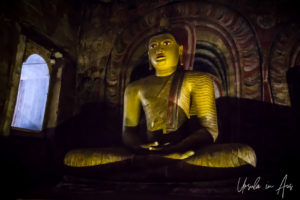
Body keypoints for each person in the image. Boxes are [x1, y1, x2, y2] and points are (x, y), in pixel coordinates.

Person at [64, 32, 256, 170]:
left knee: (240, 154)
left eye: (166, 44)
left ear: (180, 51)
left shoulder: (198, 80)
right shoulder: (135, 88)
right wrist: (139, 147)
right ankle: (160, 161)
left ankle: (160, 161)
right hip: (146, 151)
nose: (159, 49)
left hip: (188, 149)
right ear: (148, 57)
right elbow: (128, 131)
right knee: (74, 158)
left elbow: (209, 130)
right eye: (153, 47)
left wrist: (179, 146)